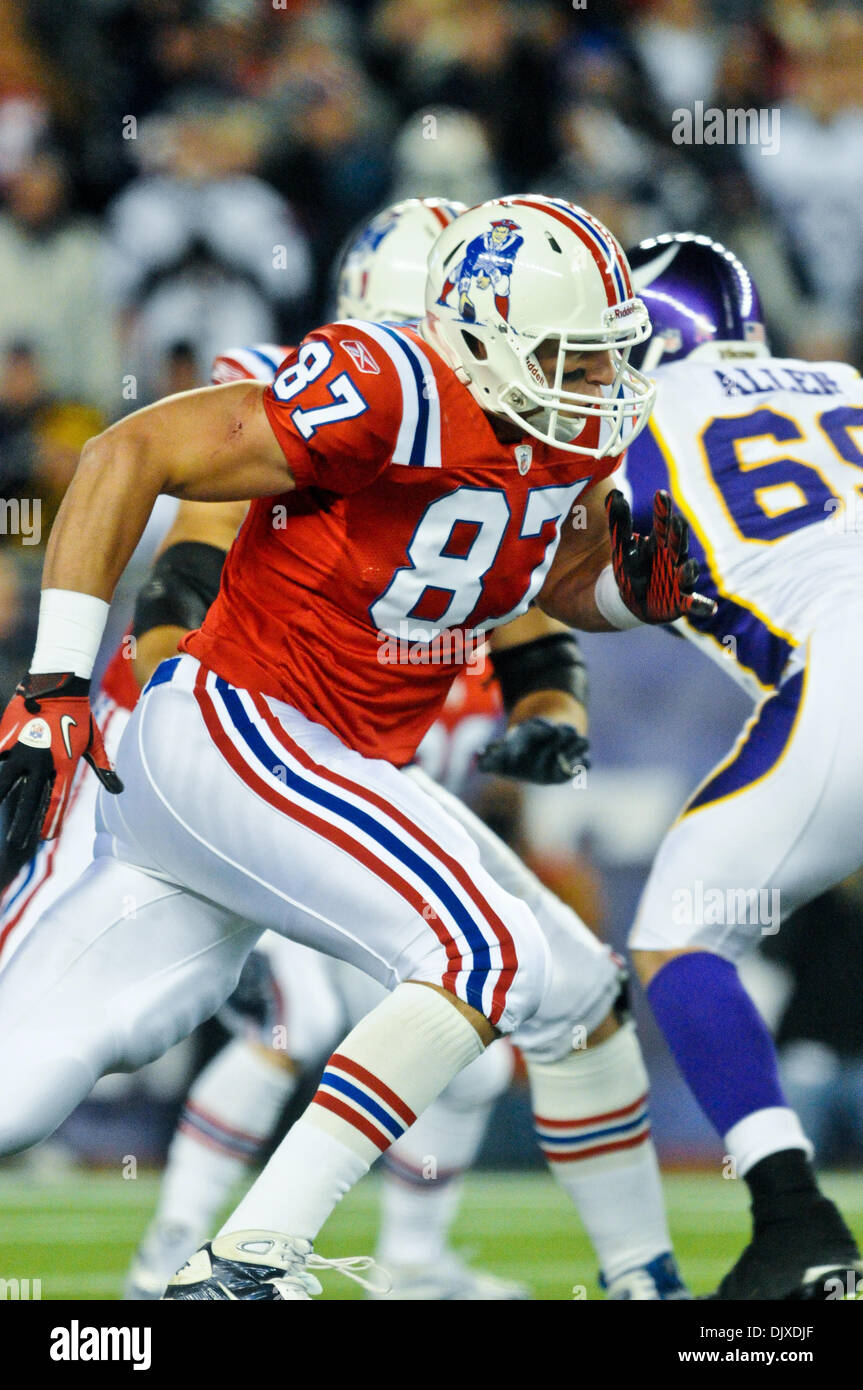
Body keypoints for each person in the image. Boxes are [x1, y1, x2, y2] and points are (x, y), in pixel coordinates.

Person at [0, 194, 702, 1300]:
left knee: (16, 1091)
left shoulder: (564, 441)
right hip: (234, 724)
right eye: (568, 356)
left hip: (319, 765)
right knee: (486, 950)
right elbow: (127, 452)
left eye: (602, 357)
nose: (593, 384)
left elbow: (540, 577)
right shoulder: (395, 384)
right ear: (479, 335)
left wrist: (627, 595)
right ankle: (243, 1265)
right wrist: (52, 684)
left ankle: (642, 1282)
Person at [621, 231, 863, 1300]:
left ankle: (793, 1222)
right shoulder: (841, 381)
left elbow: (583, 567)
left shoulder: (634, 413)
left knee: (678, 932)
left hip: (845, 656)